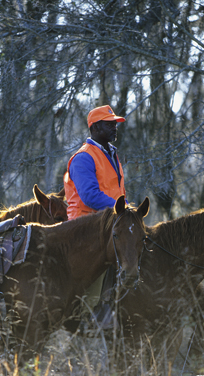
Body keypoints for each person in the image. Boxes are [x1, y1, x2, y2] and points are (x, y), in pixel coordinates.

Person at [63, 104, 127, 329]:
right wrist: (122, 207)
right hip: (85, 229)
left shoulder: (110, 154)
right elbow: (90, 196)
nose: (115, 128)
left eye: (115, 124)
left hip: (107, 224)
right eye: (110, 124)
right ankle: (84, 318)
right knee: (96, 272)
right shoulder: (83, 158)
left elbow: (114, 193)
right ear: (96, 126)